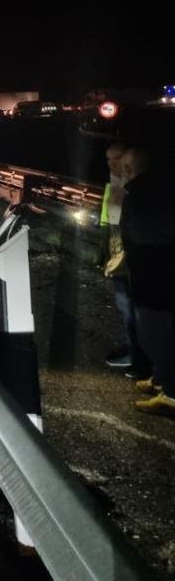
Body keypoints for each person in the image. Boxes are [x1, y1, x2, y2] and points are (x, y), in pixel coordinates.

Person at [118, 146, 175, 418]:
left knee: (156, 337)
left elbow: (142, 238)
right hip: (161, 276)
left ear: (130, 169)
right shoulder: (163, 189)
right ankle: (161, 379)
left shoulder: (139, 196)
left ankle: (171, 394)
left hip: (152, 279)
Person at [101, 143, 149, 378]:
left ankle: (141, 357)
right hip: (117, 251)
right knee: (125, 306)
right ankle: (135, 349)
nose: (113, 164)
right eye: (108, 160)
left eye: (117, 159)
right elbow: (111, 218)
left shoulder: (136, 187)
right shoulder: (116, 182)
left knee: (134, 308)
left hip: (130, 256)